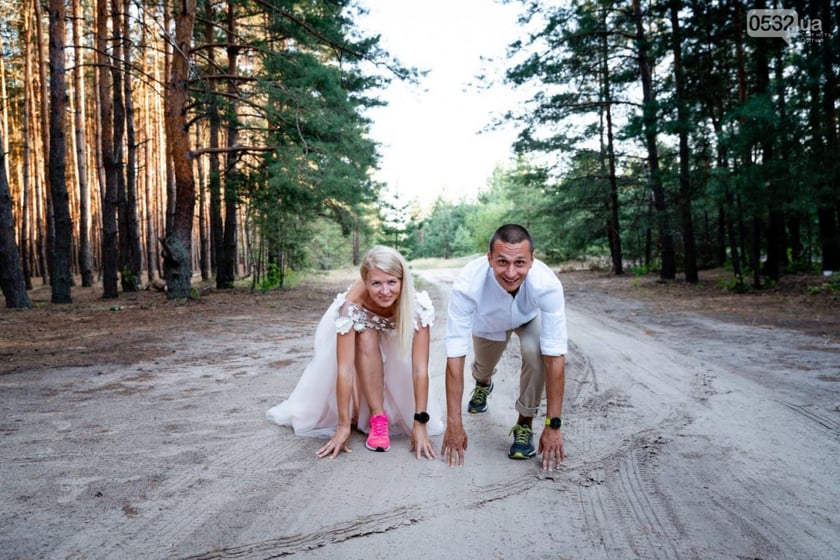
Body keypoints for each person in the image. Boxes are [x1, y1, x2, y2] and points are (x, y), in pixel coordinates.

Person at [266, 245, 442, 460]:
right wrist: (342, 426)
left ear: (402, 281)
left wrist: (420, 423)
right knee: (366, 338)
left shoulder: (417, 307)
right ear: (365, 282)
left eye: (392, 282)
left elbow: (420, 369)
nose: (385, 291)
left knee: (401, 362)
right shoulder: (351, 307)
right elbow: (345, 369)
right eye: (376, 283)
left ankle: (385, 411)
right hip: (360, 319)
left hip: (397, 319)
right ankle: (377, 417)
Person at [440, 224, 567, 471]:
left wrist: (553, 425)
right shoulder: (467, 284)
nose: (510, 272)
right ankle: (483, 382)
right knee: (483, 367)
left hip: (527, 318)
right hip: (488, 324)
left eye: (519, 263)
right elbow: (455, 355)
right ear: (489, 258)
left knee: (536, 352)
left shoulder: (547, 285)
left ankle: (524, 423)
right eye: (502, 262)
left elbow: (555, 357)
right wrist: (454, 423)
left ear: (532, 260)